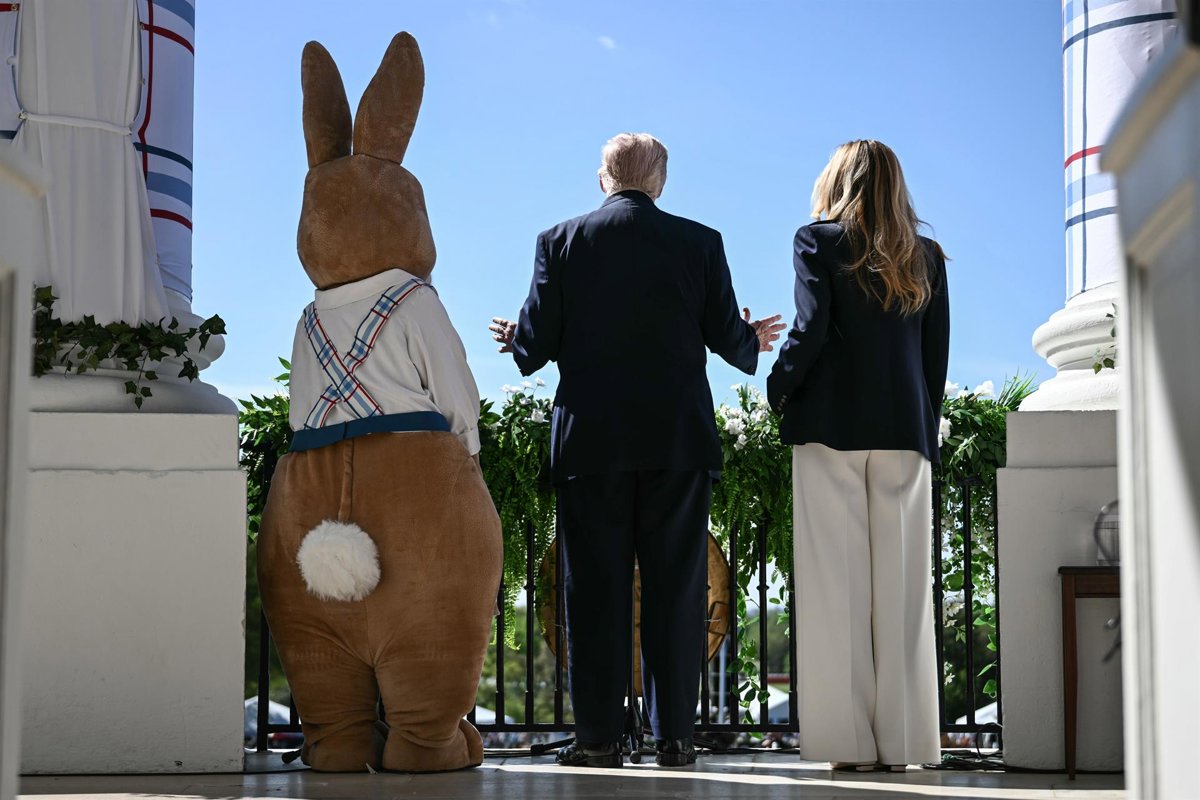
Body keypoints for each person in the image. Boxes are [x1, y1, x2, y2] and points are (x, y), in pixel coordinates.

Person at [490, 133, 785, 768]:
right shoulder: (700, 242)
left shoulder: (559, 241)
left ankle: (598, 739)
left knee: (594, 594)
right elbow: (728, 339)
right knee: (676, 592)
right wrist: (749, 340)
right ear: (661, 182)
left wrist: (518, 339)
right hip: (677, 442)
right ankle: (674, 737)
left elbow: (534, 347)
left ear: (604, 178)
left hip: (591, 445)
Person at [766, 140, 949, 773]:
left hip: (829, 427)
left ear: (836, 181)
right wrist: (923, 424)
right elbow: (934, 359)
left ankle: (849, 744)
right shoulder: (926, 255)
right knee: (904, 595)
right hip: (906, 430)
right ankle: (905, 744)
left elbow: (810, 328)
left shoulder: (816, 241)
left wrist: (777, 389)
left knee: (836, 590)